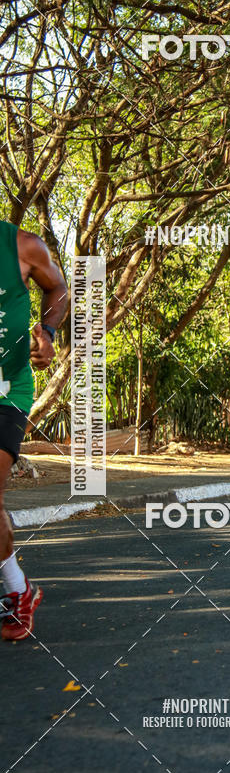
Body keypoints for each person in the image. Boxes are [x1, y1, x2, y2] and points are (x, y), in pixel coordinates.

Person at [0, 220, 67, 640]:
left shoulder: (21, 246)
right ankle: (19, 589)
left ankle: (17, 593)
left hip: (7, 391)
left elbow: (58, 290)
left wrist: (47, 331)